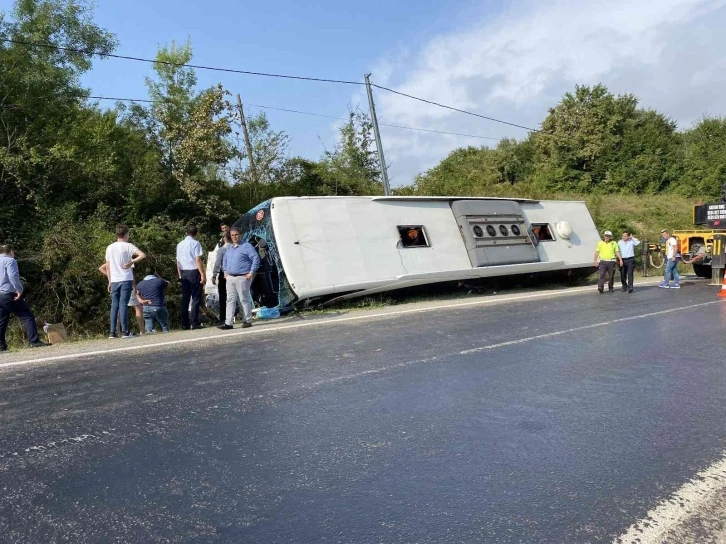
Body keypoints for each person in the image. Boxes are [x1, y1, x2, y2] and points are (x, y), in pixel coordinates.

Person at [0, 245, 48, 351]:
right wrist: (19, 289)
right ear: (11, 251)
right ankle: (34, 341)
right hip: (8, 294)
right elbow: (12, 276)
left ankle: (1, 346)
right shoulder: (10, 260)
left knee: (1, 321)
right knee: (27, 316)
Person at [105, 225, 146, 339]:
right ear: (126, 234)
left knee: (114, 305)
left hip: (114, 279)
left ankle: (112, 332)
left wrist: (109, 281)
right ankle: (125, 331)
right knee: (123, 304)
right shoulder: (128, 246)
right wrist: (131, 262)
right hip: (125, 278)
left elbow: (108, 266)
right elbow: (142, 255)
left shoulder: (110, 248)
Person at [218, 227, 260, 330]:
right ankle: (228, 323)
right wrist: (225, 272)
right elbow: (225, 260)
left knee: (244, 299)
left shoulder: (246, 246)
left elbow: (256, 258)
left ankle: (247, 320)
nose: (234, 237)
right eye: (232, 235)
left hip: (242, 276)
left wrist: (251, 272)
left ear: (240, 235)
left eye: (236, 235)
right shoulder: (230, 248)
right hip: (230, 278)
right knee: (230, 300)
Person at [98, 262, 145, 335]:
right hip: (126, 283)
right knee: (137, 307)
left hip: (115, 283)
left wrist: (111, 277)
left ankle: (117, 331)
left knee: (117, 308)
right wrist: (134, 286)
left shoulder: (112, 259)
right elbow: (131, 274)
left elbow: (101, 268)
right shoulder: (127, 259)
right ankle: (142, 330)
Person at [176, 224, 206, 330]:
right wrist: (202, 274)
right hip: (193, 271)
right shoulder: (195, 243)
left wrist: (179, 275)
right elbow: (197, 260)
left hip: (184, 272)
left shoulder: (179, 244)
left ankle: (185, 323)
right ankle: (195, 321)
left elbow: (178, 261)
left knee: (185, 298)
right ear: (196, 234)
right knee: (196, 297)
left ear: (186, 233)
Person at [212, 231, 232, 324]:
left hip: (224, 274)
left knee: (223, 296)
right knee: (234, 296)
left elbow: (217, 263)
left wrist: (214, 275)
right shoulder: (234, 248)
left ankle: (223, 317)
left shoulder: (221, 250)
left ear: (224, 239)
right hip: (234, 273)